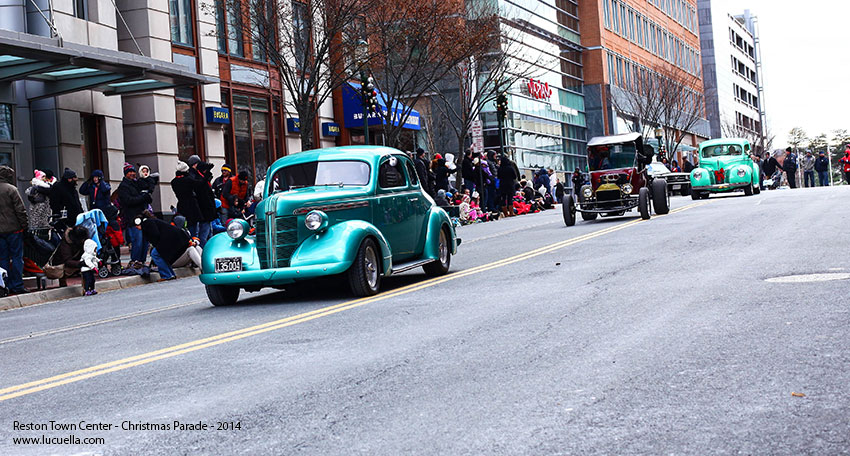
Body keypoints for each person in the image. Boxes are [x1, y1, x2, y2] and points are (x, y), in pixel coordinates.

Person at [139, 210, 195, 282]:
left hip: (169, 239)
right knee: (162, 255)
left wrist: (156, 245)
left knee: (155, 254)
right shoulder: (152, 221)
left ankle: (166, 275)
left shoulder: (147, 223)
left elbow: (155, 234)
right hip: (175, 238)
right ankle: (170, 274)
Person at [0, 165, 29, 295]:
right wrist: (25, 226)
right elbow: (20, 210)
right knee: (17, 257)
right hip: (14, 229)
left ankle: (4, 285)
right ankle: (17, 285)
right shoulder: (12, 189)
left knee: (2, 259)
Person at [117, 163, 152, 266]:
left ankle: (142, 260)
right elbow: (128, 201)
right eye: (130, 172)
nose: (132, 174)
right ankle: (135, 260)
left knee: (145, 240)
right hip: (132, 217)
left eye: (133, 172)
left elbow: (147, 192)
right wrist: (142, 198)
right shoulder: (123, 186)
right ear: (126, 174)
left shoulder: (136, 184)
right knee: (138, 240)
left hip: (142, 215)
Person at [186, 155, 216, 246]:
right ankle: (204, 252)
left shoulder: (197, 175)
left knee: (207, 232)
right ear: (194, 165)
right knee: (203, 234)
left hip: (204, 208)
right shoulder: (194, 176)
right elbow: (200, 188)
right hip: (203, 208)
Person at [171, 161, 203, 234]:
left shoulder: (174, 182)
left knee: (185, 228)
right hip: (191, 206)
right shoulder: (188, 180)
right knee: (194, 230)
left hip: (181, 206)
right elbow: (199, 184)